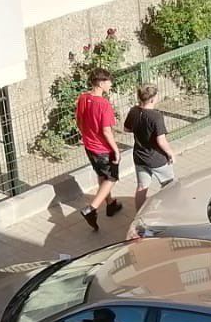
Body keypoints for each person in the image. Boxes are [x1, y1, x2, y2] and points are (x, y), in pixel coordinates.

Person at [74, 66, 124, 232]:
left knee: (102, 175)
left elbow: (79, 121)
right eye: (109, 81)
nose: (111, 84)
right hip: (103, 149)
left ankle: (110, 204)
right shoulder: (104, 104)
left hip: (89, 146)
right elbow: (106, 131)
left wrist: (87, 135)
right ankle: (92, 209)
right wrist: (116, 150)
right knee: (112, 178)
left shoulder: (83, 98)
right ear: (101, 83)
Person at [124, 83, 178, 227]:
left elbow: (126, 128)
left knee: (142, 186)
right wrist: (170, 153)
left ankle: (139, 216)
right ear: (153, 99)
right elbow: (161, 140)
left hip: (139, 157)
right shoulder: (156, 117)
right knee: (169, 184)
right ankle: (171, 212)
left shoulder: (134, 111)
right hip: (157, 159)